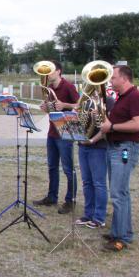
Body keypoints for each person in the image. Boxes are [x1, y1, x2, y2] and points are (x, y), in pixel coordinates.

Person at [98, 65, 139, 252]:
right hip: (115, 148)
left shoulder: (136, 97)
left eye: (113, 78)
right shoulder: (122, 98)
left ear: (124, 79)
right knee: (120, 193)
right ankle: (120, 231)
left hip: (125, 149)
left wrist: (111, 128)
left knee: (119, 194)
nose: (111, 81)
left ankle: (122, 238)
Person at [33, 60, 80, 214]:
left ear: (59, 71)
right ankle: (52, 197)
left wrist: (64, 105)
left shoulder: (68, 86)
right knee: (52, 166)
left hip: (65, 132)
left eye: (51, 71)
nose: (48, 74)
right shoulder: (49, 88)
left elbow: (80, 105)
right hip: (52, 132)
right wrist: (46, 107)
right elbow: (51, 110)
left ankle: (70, 200)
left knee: (67, 168)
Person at [74, 94, 115, 229]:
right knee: (86, 182)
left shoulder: (108, 101)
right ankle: (88, 214)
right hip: (83, 145)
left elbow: (106, 128)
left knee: (99, 183)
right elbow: (79, 121)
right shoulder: (84, 101)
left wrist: (92, 140)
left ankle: (99, 217)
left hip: (98, 146)